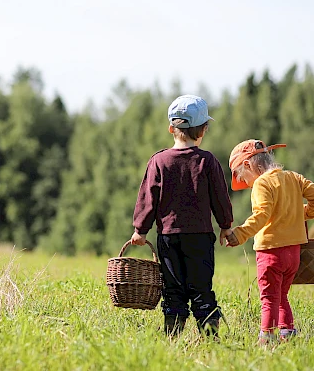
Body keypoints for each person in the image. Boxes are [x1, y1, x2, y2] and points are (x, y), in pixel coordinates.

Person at [130, 94, 233, 337]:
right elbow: (220, 197)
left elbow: (148, 198)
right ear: (203, 131)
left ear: (170, 128)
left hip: (168, 237)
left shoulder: (158, 161)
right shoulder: (207, 161)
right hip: (200, 237)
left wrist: (140, 230)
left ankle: (172, 338)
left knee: (173, 289)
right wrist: (226, 226)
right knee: (201, 289)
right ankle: (211, 340)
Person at [225, 139, 314, 344]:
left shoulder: (261, 183)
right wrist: (303, 213)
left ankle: (267, 338)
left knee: (268, 298)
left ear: (248, 165)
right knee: (282, 294)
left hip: (271, 253)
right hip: (294, 253)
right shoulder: (293, 177)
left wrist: (239, 234)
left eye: (242, 176)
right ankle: (287, 332)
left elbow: (261, 216)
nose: (246, 183)